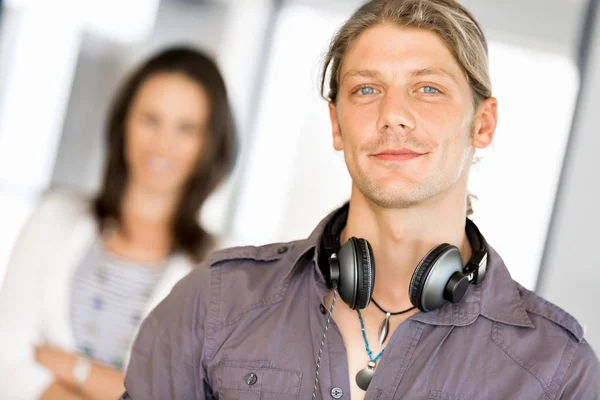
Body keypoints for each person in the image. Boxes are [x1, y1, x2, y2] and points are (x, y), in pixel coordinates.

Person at [121, 1, 600, 399]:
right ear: (336, 123)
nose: (393, 114)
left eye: (428, 88)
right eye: (366, 89)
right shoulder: (215, 302)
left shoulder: (555, 372)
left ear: (484, 124)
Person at [0, 46, 235, 400]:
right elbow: (8, 357)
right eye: (150, 119)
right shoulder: (55, 217)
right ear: (124, 122)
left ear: (209, 144)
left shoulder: (228, 271)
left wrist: (74, 368)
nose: (162, 144)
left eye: (186, 129)